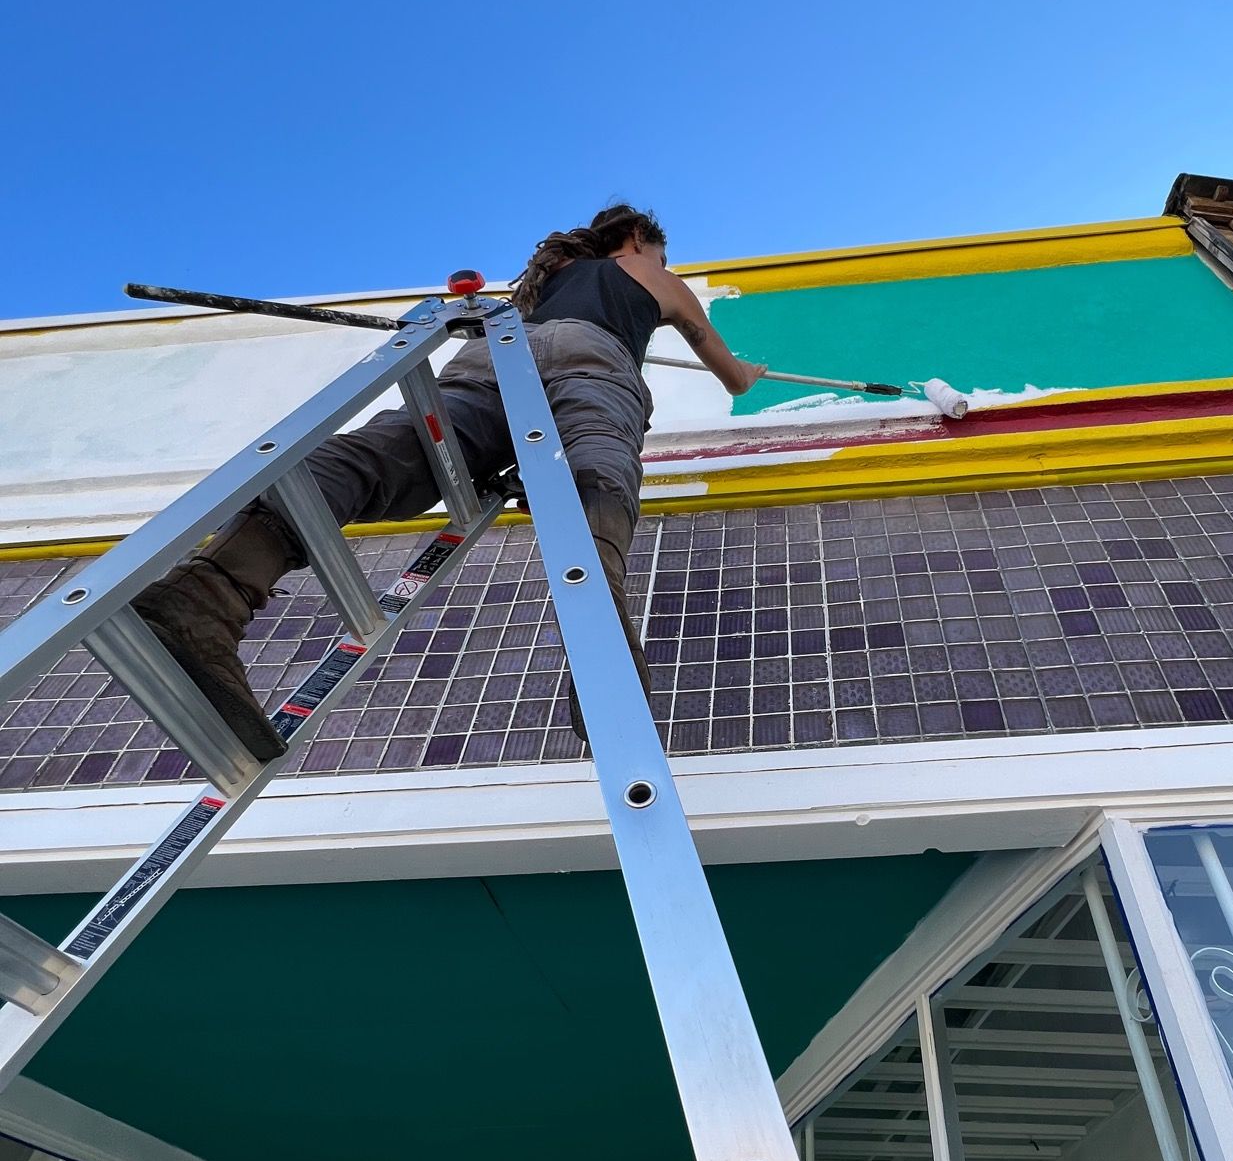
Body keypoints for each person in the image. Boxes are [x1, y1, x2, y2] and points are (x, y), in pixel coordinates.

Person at [133, 204, 765, 759]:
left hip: (498, 353)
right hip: (591, 360)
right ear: (636, 240)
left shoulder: (538, 284)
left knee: (402, 456)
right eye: (659, 250)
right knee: (595, 473)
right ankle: (605, 641)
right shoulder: (652, 274)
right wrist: (749, 371)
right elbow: (730, 375)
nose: (661, 260)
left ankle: (206, 593)